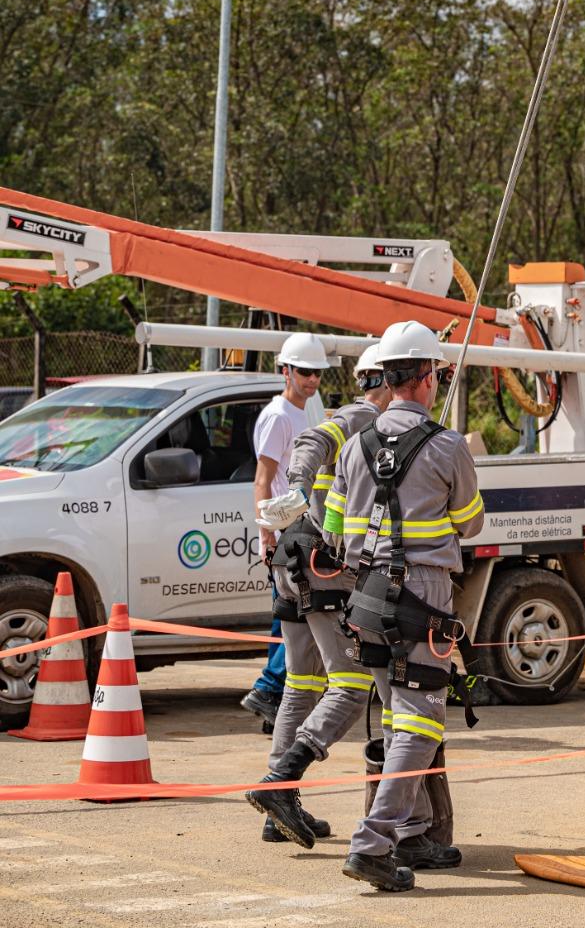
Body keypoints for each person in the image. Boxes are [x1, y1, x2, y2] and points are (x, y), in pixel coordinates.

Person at [330, 318, 483, 892]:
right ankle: (373, 842)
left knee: (397, 713)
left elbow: (341, 532)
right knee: (420, 722)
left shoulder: (353, 447)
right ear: (424, 377)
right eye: (438, 375)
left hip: (367, 595)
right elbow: (470, 522)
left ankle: (410, 830)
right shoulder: (446, 446)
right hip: (424, 594)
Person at [246, 342, 390, 846]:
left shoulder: (368, 421)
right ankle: (278, 787)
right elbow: (310, 444)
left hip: (295, 559)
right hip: (320, 569)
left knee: (301, 685)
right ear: (388, 382)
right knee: (350, 686)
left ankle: (276, 809)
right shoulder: (360, 417)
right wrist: (301, 487)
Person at [240, 332, 329, 729]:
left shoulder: (303, 412)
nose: (312, 380)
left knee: (286, 620)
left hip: (299, 528)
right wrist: (266, 534)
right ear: (286, 371)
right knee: (301, 618)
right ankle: (268, 687)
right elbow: (263, 480)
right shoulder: (279, 416)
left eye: (317, 373)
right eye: (305, 372)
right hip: (286, 532)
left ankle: (272, 699)